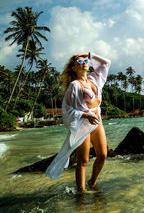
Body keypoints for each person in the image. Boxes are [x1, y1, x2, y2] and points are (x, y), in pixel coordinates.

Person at [46, 52, 111, 193]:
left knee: (103, 155)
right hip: (83, 124)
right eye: (80, 62)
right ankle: (81, 192)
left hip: (97, 122)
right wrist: (84, 115)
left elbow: (106, 63)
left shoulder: (94, 79)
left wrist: (87, 54)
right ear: (74, 68)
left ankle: (92, 182)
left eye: (86, 61)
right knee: (83, 160)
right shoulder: (74, 86)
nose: (85, 63)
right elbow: (67, 109)